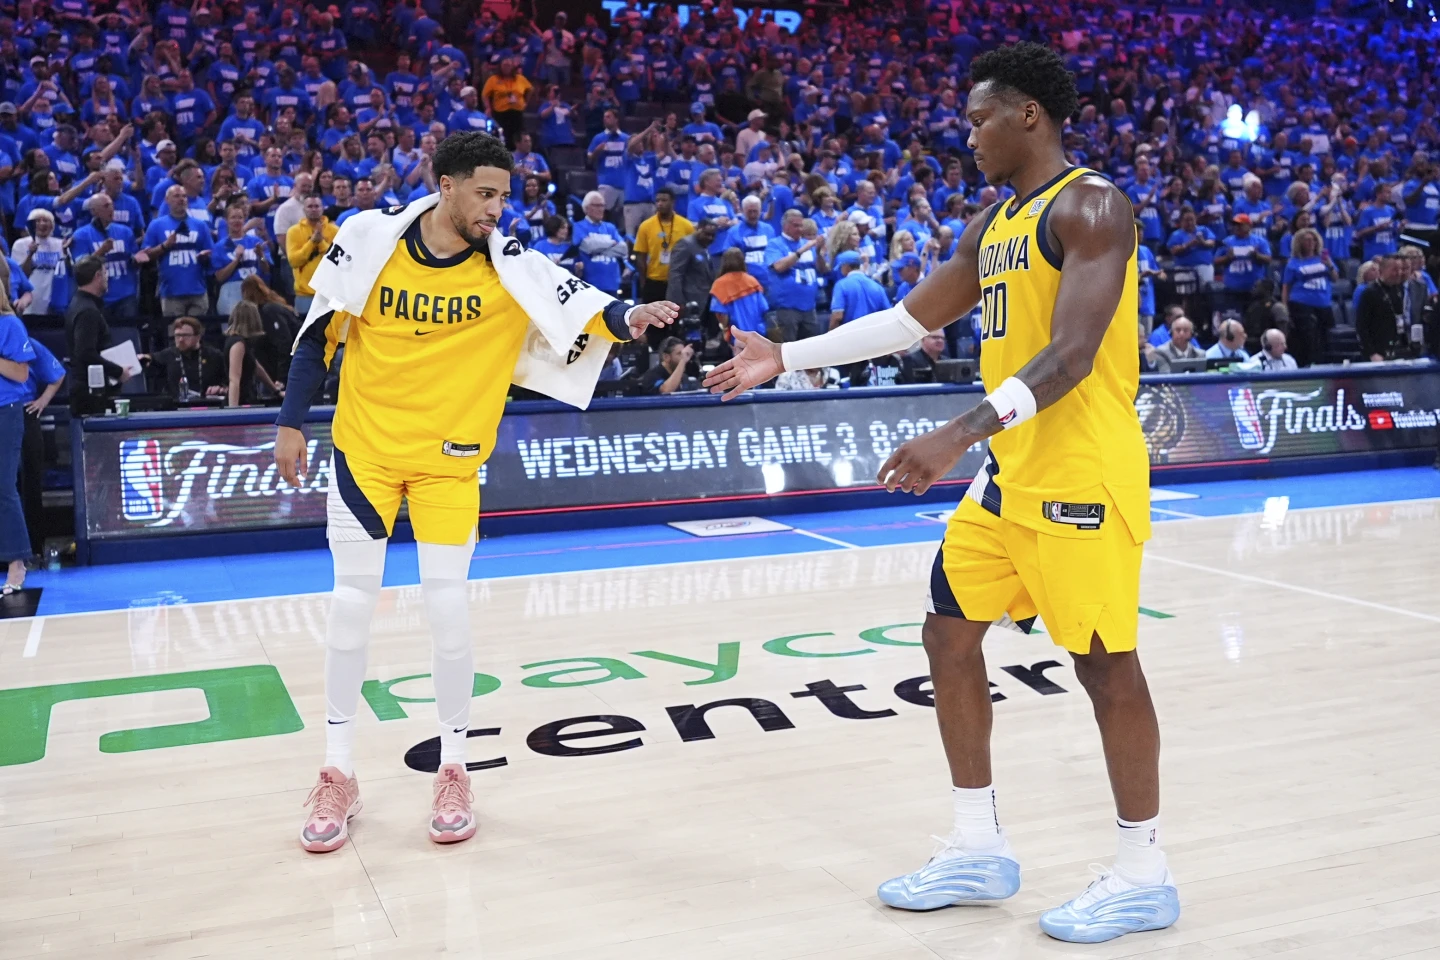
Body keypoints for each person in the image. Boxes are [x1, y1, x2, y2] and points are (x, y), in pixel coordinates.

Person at [705, 44, 1178, 944]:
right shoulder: (995, 224)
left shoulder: (1091, 205)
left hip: (1082, 475)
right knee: (948, 632)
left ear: (1028, 114)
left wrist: (958, 434)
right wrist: (785, 357)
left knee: (1105, 666)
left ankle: (1144, 873)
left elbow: (1074, 356)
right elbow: (907, 319)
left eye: (979, 119)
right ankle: (978, 849)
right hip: (1011, 476)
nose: (968, 136)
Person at [271, 132, 677, 854]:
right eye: (485, 194)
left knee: (449, 614)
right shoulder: (371, 242)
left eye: (503, 196)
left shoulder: (510, 267)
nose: (496, 209)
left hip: (449, 466)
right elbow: (316, 337)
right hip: (365, 455)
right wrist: (290, 424)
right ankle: (337, 772)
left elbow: (580, 305)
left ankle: (454, 767)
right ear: (446, 185)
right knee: (350, 609)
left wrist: (630, 317)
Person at [0, 258, 35, 594]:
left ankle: (16, 561)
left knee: (4, 487)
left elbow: (21, 373)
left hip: (5, 411)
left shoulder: (9, 325)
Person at [139, 184, 214, 323]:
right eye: (177, 196)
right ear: (167, 200)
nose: (181, 199)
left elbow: (211, 254)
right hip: (171, 291)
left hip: (197, 289)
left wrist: (205, 256)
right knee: (176, 333)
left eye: (184, 196)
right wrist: (164, 246)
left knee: (197, 332)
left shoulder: (200, 225)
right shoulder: (156, 225)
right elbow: (145, 256)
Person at [64, 255, 127, 416]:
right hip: (90, 393)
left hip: (86, 389)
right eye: (105, 273)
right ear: (97, 276)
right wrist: (118, 371)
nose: (107, 277)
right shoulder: (88, 311)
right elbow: (85, 352)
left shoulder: (79, 303)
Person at [763, 208, 825, 342]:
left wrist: (818, 252)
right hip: (787, 307)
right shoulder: (775, 244)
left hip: (809, 306)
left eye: (801, 225)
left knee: (811, 348)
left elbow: (822, 269)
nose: (800, 229)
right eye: (796, 226)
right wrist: (801, 251)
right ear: (785, 226)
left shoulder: (807, 244)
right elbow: (779, 266)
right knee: (788, 347)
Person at [1280, 228, 1338, 368]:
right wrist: (1285, 307)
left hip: (1323, 303)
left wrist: (1329, 265)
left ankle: (1326, 365)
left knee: (1327, 336)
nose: (1311, 243)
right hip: (1301, 303)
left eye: (1313, 240)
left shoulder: (1324, 259)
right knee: (1310, 338)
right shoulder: (1293, 263)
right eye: (1307, 240)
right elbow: (1286, 287)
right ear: (1299, 243)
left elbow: (1335, 278)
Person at [633, 187, 693, 311]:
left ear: (673, 202)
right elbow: (640, 255)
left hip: (679, 281)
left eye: (664, 200)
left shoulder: (686, 226)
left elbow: (692, 253)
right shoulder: (646, 226)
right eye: (658, 200)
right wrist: (643, 282)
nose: (660, 203)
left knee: (676, 319)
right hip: (654, 281)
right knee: (653, 319)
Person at [143, 315, 226, 400]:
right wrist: (143, 357)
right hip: (176, 404)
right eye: (177, 335)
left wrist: (222, 389)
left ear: (198, 337)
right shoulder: (169, 354)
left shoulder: (215, 356)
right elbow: (150, 358)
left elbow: (229, 382)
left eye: (185, 335)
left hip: (208, 404)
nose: (180, 340)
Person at [286, 195, 338, 316]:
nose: (313, 209)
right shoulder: (293, 231)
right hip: (305, 295)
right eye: (310, 206)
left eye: (316, 206)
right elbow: (294, 261)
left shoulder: (335, 231)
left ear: (322, 208)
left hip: (330, 294)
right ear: (304, 209)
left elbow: (338, 261)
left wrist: (321, 243)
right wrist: (312, 242)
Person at [225, 301, 284, 407]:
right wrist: (233, 410)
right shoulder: (238, 344)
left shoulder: (244, 343)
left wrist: (276, 391)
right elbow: (234, 379)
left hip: (248, 399)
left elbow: (257, 368)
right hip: (241, 402)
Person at [1356, 254, 1411, 362]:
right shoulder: (1370, 292)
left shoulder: (1399, 290)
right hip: (1379, 353)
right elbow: (1361, 327)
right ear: (1382, 270)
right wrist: (1372, 353)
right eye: (1395, 269)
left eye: (1400, 269)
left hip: (1400, 349)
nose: (1399, 273)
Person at [708, 248, 768, 340]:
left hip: (736, 336)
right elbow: (763, 307)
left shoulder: (719, 284)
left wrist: (725, 330)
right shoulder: (753, 281)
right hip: (757, 335)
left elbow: (721, 314)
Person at [828, 249, 890, 329]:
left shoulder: (841, 285)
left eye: (841, 267)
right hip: (874, 333)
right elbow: (888, 314)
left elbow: (837, 316)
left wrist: (830, 334)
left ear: (846, 266)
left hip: (851, 333)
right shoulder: (877, 286)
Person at [665, 218, 718, 309]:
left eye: (713, 235)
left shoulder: (704, 246)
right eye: (707, 234)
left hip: (703, 300)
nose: (710, 238)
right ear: (698, 229)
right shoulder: (685, 244)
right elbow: (675, 274)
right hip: (687, 301)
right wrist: (677, 301)